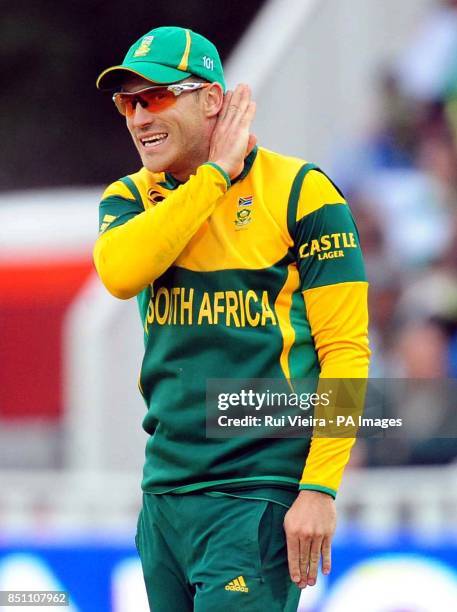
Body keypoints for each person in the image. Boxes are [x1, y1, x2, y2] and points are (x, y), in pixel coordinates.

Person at [94, 26, 370, 612]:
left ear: (212, 100)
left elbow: (346, 353)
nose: (139, 118)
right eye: (128, 102)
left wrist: (319, 488)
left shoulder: (303, 192)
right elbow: (120, 275)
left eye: (157, 97)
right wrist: (214, 176)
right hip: (165, 494)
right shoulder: (128, 198)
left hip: (257, 493)